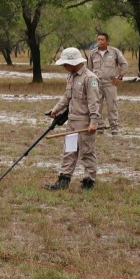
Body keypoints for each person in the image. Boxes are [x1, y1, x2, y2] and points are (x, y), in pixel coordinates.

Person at [43, 47, 102, 191]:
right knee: (69, 151)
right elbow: (66, 97)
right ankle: (63, 180)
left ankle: (88, 182)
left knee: (87, 153)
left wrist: (94, 122)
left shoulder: (90, 78)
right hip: (72, 120)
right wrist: (56, 109)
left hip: (85, 121)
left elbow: (94, 102)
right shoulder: (70, 77)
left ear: (75, 63)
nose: (64, 67)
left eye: (65, 64)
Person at [88, 32, 127, 135]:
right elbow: (89, 69)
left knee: (112, 106)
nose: (100, 41)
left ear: (107, 41)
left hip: (110, 83)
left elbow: (124, 64)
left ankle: (114, 128)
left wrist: (119, 77)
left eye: (102, 40)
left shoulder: (114, 52)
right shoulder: (92, 53)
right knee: (97, 106)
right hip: (96, 84)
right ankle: (99, 127)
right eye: (98, 40)